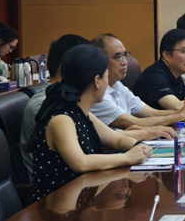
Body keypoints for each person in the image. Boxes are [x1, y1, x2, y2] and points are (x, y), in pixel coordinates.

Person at [32, 45, 153, 200]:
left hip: (82, 196)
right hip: (56, 207)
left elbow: (117, 140)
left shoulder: (82, 112)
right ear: (97, 81)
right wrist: (127, 158)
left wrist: (138, 147)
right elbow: (80, 162)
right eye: (106, 77)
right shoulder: (62, 119)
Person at [90, 34, 185, 128]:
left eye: (125, 55)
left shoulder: (118, 85)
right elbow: (134, 122)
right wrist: (181, 115)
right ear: (100, 60)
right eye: (117, 57)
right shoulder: (97, 94)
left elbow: (152, 113)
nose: (125, 62)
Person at [21, 34, 89, 178]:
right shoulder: (45, 103)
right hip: (56, 185)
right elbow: (80, 161)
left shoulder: (70, 98)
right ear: (67, 67)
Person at [133, 29, 185, 110]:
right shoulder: (154, 76)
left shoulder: (175, 73)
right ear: (166, 55)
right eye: (184, 51)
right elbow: (177, 106)